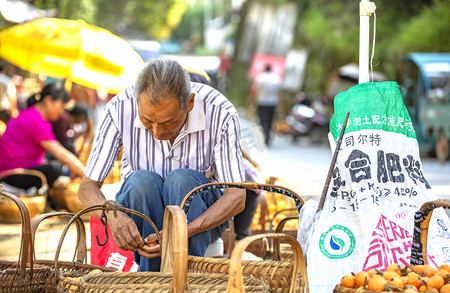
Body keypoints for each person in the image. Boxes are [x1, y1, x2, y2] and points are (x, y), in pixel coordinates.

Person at [78, 58, 246, 272]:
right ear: (137, 101)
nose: (157, 132)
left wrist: (184, 230)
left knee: (183, 181)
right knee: (141, 182)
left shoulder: (220, 113)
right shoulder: (118, 109)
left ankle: (168, 280)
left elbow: (237, 196)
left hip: (201, 217)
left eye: (168, 122)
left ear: (190, 103)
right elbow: (87, 187)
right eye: (147, 121)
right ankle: (160, 284)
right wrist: (111, 215)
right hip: (140, 209)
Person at [0, 82, 85, 197]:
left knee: (59, 158)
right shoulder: (35, 120)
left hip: (17, 168)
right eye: (61, 106)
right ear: (48, 100)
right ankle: (39, 195)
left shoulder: (35, 116)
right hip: (10, 174)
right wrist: (86, 176)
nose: (61, 112)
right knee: (54, 168)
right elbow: (61, 153)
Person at [250, 64, 282, 145]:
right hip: (272, 103)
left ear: (265, 69)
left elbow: (254, 90)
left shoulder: (260, 77)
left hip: (262, 101)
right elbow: (279, 93)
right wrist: (279, 105)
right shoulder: (276, 78)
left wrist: (252, 101)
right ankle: (267, 136)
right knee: (270, 120)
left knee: (262, 120)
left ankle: (264, 134)